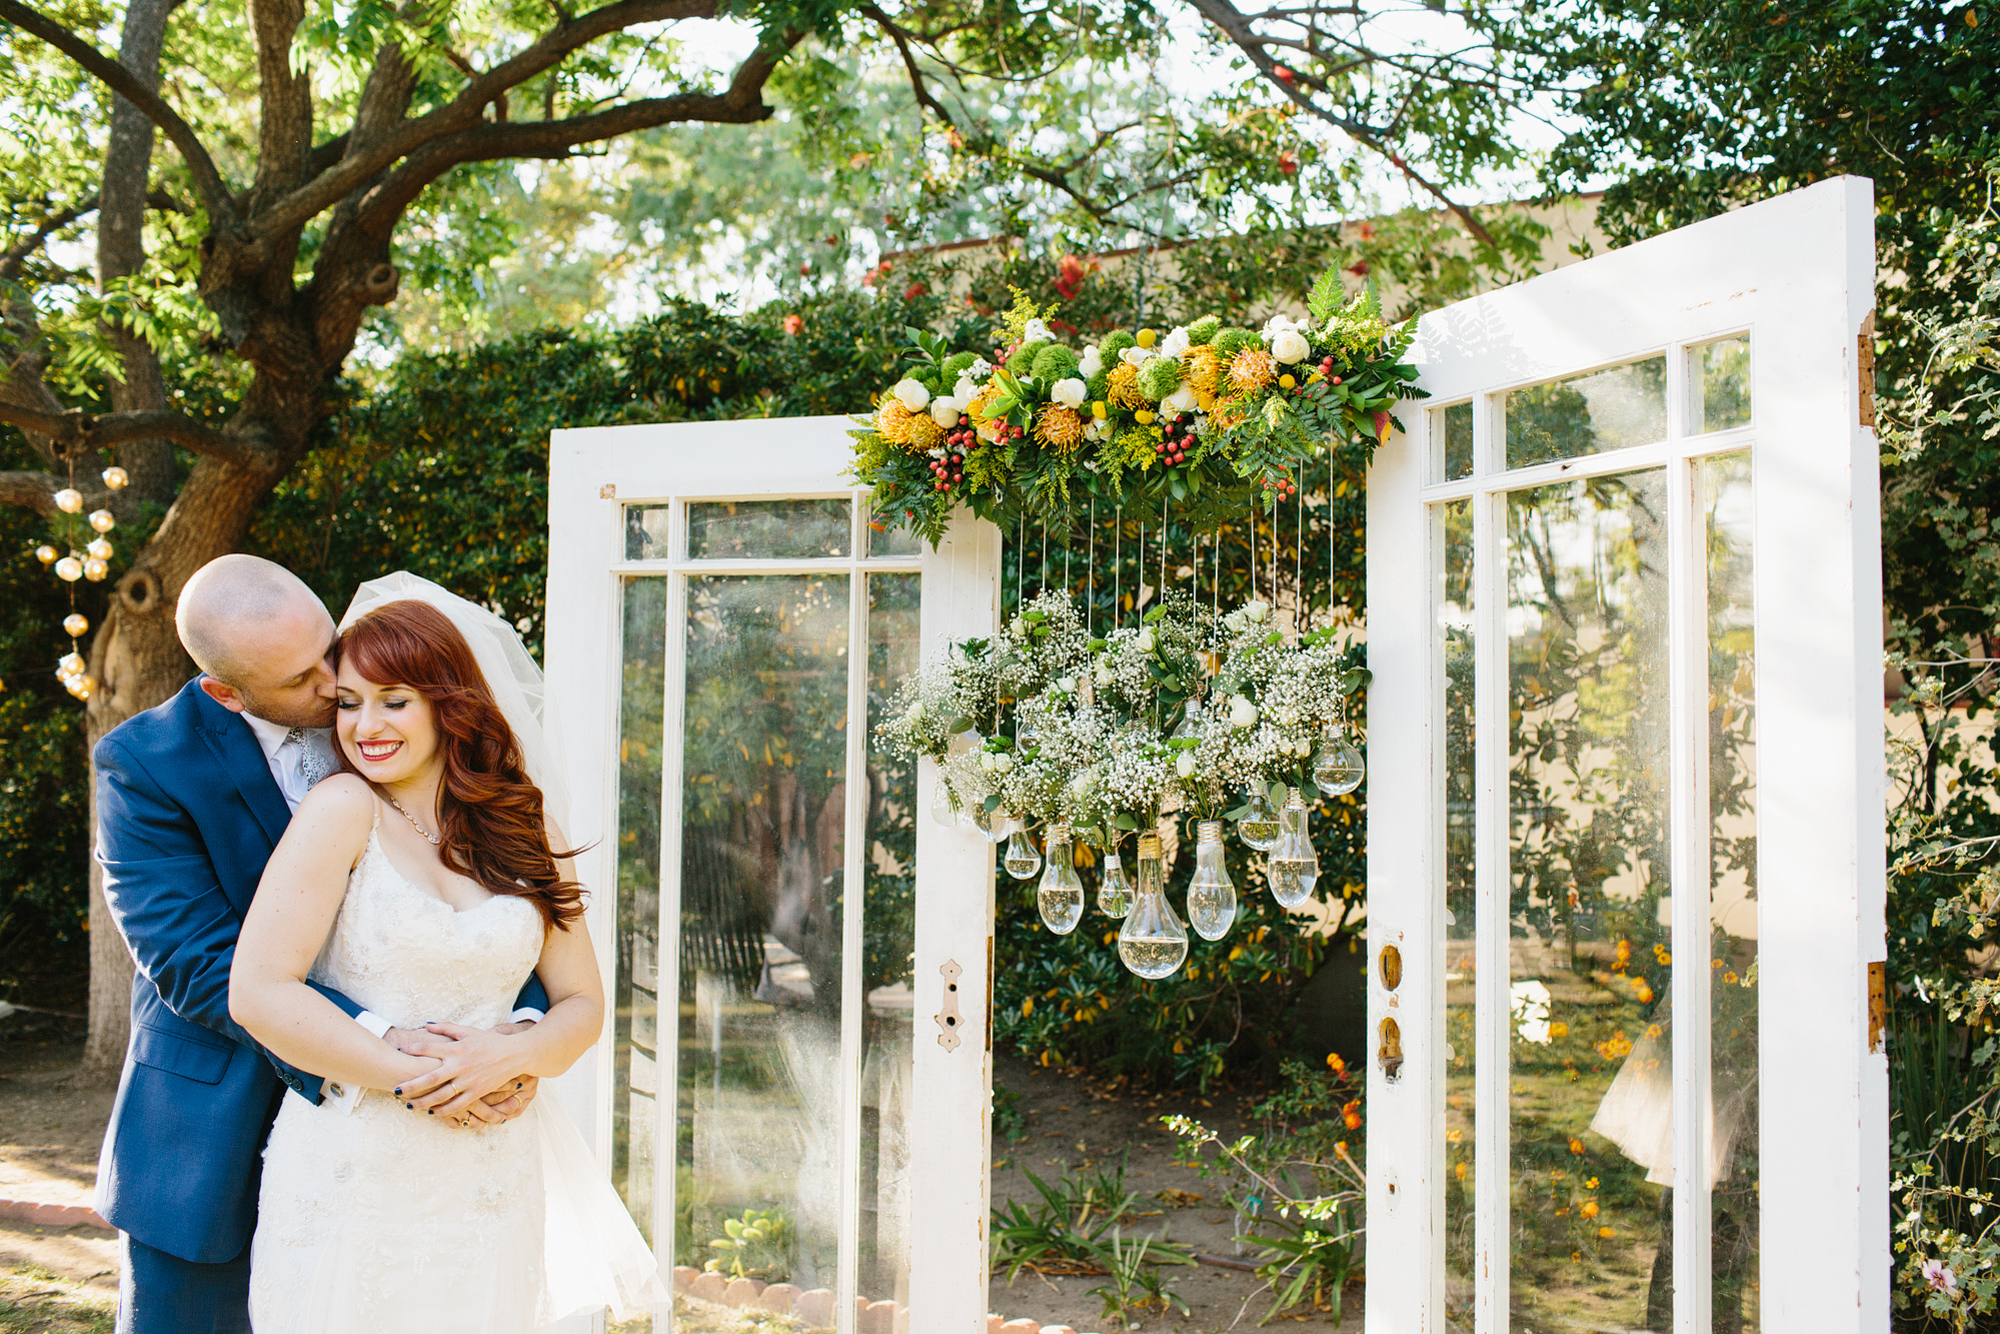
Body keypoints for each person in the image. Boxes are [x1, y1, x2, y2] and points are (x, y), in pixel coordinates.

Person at [93, 555, 549, 1334]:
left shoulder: (381, 715)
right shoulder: (143, 764)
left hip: (419, 1150)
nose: (336, 679)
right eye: (305, 678)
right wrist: (395, 1052)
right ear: (226, 692)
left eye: (328, 644)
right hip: (212, 1132)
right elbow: (192, 961)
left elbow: (487, 895)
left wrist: (508, 1039)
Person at [229, 579, 658, 1332]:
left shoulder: (524, 822)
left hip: (493, 1173)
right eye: (349, 702)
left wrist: (508, 1057)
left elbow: (584, 1003)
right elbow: (260, 992)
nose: (367, 724)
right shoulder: (342, 811)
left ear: (446, 702)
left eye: (394, 700)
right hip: (357, 1166)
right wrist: (427, 1080)